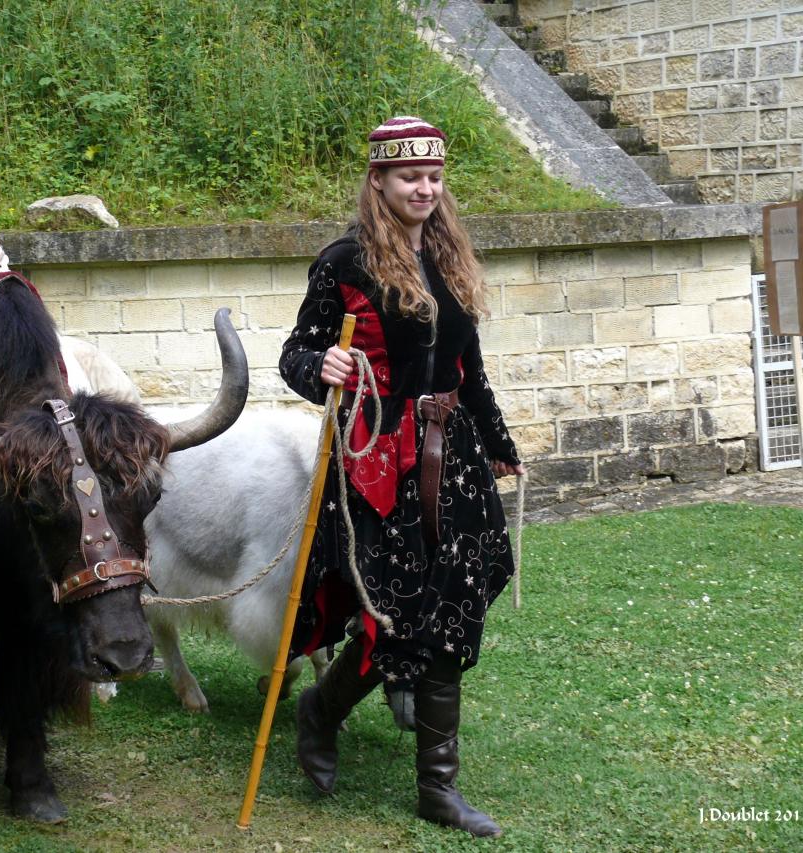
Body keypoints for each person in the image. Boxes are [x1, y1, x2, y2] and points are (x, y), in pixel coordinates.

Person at [278, 116, 525, 838]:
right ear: (379, 181)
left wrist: (501, 441)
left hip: (453, 462)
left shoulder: (448, 257)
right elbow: (298, 351)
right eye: (410, 176)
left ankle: (438, 790)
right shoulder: (344, 262)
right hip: (378, 462)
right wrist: (315, 367)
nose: (425, 187)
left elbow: (466, 368)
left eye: (434, 176)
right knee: (394, 618)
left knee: (450, 615)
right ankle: (320, 711)